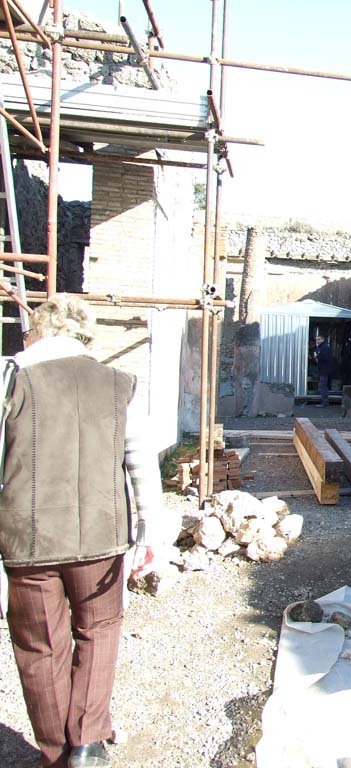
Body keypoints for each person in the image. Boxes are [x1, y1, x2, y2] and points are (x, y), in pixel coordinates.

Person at [0, 295, 169, 768]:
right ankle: (87, 742)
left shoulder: (12, 380)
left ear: (39, 332)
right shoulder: (118, 384)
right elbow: (140, 464)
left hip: (26, 538)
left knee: (39, 646)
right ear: (82, 336)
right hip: (101, 537)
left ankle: (56, 754)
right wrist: (150, 531)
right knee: (99, 631)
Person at [313, 332, 333, 407]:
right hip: (323, 370)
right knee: (322, 385)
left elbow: (323, 358)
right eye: (316, 340)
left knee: (323, 386)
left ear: (322, 340)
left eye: (318, 339)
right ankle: (324, 401)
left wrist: (316, 356)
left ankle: (324, 402)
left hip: (324, 370)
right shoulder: (321, 347)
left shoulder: (324, 348)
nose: (317, 341)